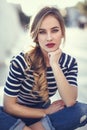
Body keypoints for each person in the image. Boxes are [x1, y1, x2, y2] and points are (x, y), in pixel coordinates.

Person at [0, 6, 87, 130]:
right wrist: (45, 112)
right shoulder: (21, 61)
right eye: (42, 32)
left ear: (62, 32)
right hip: (16, 114)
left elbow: (70, 102)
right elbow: (9, 106)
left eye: (55, 30)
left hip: (42, 118)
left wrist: (55, 65)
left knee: (82, 110)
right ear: (36, 35)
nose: (49, 37)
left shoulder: (69, 62)